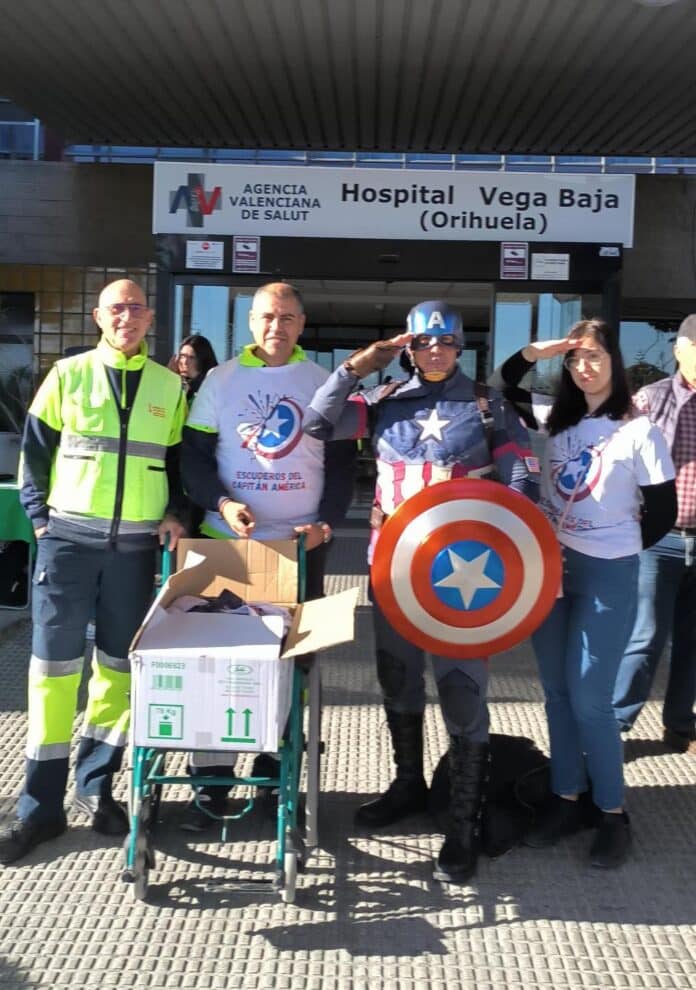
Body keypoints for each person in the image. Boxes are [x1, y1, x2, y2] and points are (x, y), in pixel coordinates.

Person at [303, 300, 539, 884]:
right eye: (425, 343)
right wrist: (357, 366)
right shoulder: (383, 402)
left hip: (466, 580)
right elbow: (315, 423)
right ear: (409, 347)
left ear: (461, 347)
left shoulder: (486, 406)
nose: (436, 351)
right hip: (393, 572)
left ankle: (462, 822)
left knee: (462, 692)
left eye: (447, 343)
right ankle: (407, 785)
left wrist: (510, 539)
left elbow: (520, 477)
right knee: (397, 678)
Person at [0, 279, 188, 866]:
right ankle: (39, 807)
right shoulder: (67, 374)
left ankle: (96, 788)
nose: (126, 315)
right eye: (116, 307)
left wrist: (178, 513)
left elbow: (178, 463)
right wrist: (41, 523)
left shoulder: (169, 385)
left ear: (149, 317)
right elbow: (34, 453)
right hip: (69, 545)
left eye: (135, 306)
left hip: (134, 552)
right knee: (52, 671)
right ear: (97, 316)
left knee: (117, 669)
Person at [494, 320, 677, 868]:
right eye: (575, 360)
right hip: (553, 571)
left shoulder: (638, 430)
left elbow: (662, 512)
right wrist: (540, 350)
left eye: (594, 356)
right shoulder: (556, 419)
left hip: (608, 573)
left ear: (614, 363)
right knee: (555, 690)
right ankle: (568, 797)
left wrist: (616, 548)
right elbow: (506, 384)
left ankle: (612, 811)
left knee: (591, 698)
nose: (584, 367)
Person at [180, 281, 355, 830]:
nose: (275, 326)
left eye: (286, 317)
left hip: (303, 548)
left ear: (302, 325)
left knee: (295, 662)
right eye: (265, 317)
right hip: (223, 543)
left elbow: (347, 463)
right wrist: (223, 503)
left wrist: (325, 522)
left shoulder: (325, 381)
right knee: (213, 663)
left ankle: (277, 771)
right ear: (250, 322)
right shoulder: (219, 378)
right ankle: (211, 788)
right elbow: (194, 458)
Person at [613, 314, 696, 753]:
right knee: (645, 635)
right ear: (679, 350)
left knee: (693, 642)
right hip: (659, 540)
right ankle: (617, 724)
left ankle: (681, 724)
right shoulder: (650, 399)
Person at [171, 334, 218, 404]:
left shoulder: (211, 391)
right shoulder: (179, 386)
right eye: (182, 356)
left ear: (203, 360)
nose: (185, 362)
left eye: (191, 357)